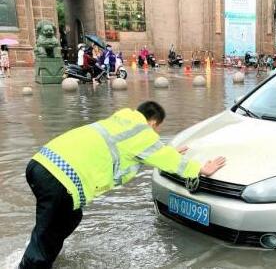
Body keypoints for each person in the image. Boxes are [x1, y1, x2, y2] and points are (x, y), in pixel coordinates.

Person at [19, 101, 226, 269]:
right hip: (59, 179)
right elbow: (157, 154)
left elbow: (131, 153)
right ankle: (33, 264)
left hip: (41, 164)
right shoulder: (141, 132)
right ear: (153, 122)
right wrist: (200, 169)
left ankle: (44, 258)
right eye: (156, 129)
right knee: (47, 234)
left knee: (69, 218)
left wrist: (164, 153)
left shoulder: (121, 121)